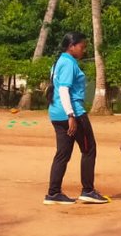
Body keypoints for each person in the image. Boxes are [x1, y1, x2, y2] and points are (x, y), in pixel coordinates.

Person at [44, 32, 108, 205]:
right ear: (71, 46)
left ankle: (53, 193)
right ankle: (88, 190)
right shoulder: (68, 63)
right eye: (82, 46)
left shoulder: (59, 62)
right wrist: (71, 115)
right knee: (89, 149)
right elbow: (64, 90)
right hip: (72, 114)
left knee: (63, 154)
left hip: (56, 113)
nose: (83, 50)